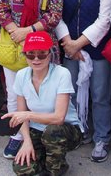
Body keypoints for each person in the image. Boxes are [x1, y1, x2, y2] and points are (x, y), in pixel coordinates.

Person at [0, 0, 64, 160]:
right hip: (13, 42)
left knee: (43, 93)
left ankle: (42, 136)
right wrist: (14, 30)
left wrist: (28, 31)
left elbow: (54, 14)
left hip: (42, 45)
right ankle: (18, 135)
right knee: (15, 92)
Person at [54, 0, 111, 163]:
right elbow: (55, 13)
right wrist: (68, 43)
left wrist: (78, 44)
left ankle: (102, 137)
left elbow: (104, 19)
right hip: (69, 45)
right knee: (69, 91)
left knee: (100, 94)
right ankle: (78, 130)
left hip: (95, 48)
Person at [7, 31, 84, 176]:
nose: (36, 59)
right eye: (31, 54)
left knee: (52, 131)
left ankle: (57, 168)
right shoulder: (21, 75)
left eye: (41, 54)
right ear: (25, 55)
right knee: (22, 169)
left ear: (50, 54)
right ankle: (43, 156)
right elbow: (21, 116)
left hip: (65, 129)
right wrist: (27, 141)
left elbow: (58, 118)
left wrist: (27, 115)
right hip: (36, 129)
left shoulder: (62, 74)